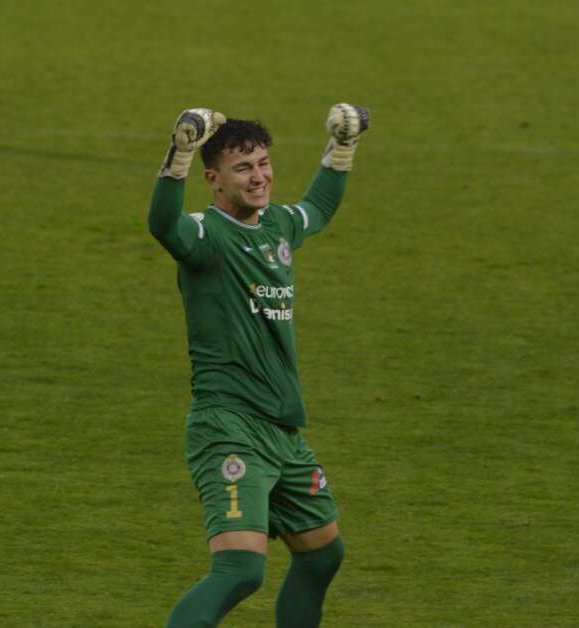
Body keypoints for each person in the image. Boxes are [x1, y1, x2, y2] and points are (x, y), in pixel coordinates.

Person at [147, 103, 370, 627]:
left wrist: (343, 146)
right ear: (213, 179)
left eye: (264, 164)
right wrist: (177, 154)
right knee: (241, 571)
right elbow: (163, 225)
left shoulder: (277, 227)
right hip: (229, 426)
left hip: (283, 431)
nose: (259, 177)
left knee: (322, 555)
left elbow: (318, 206)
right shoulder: (205, 236)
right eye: (243, 168)